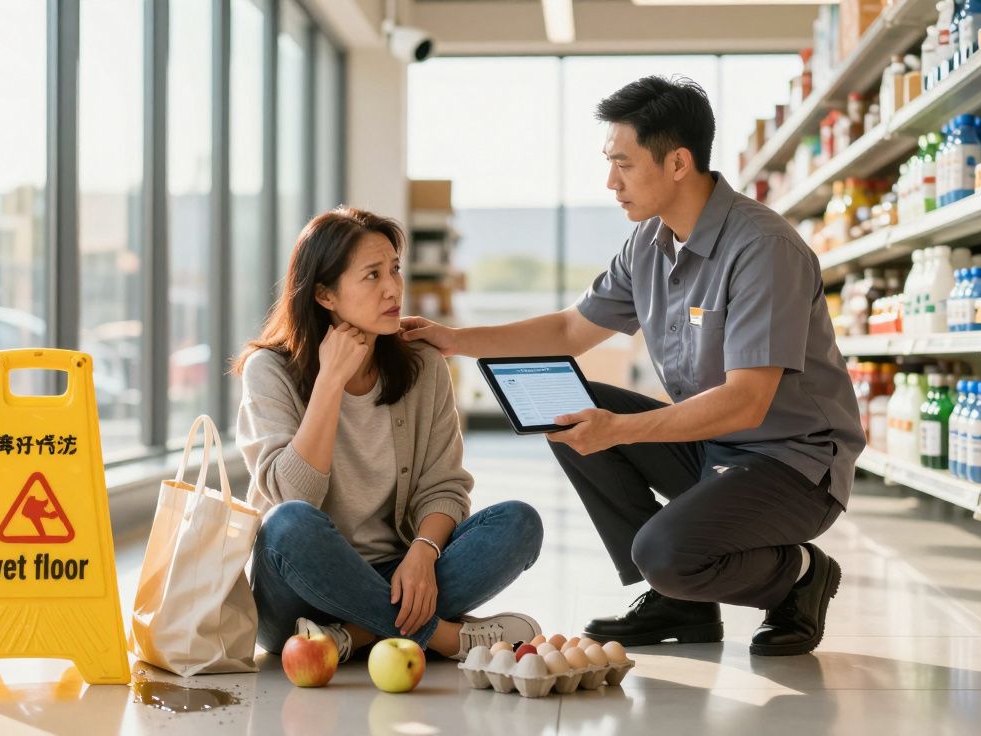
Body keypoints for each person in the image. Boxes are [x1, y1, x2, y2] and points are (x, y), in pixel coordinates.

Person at [402, 76, 865, 657]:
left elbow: (748, 402)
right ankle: (683, 606)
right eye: (608, 163)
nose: (610, 182)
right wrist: (453, 339)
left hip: (792, 462)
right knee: (567, 413)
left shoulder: (762, 249)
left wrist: (619, 430)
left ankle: (800, 576)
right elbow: (572, 329)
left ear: (677, 162)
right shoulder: (649, 243)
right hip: (717, 447)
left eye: (623, 163)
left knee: (664, 552)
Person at [235, 206, 544, 663]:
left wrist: (423, 549)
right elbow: (290, 494)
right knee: (288, 524)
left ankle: (350, 636)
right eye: (372, 275)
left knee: (519, 523)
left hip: (402, 575)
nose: (393, 288)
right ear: (324, 294)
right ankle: (447, 639)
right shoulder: (269, 369)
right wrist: (330, 382)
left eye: (395, 270)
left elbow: (444, 486)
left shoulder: (423, 365)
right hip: (300, 587)